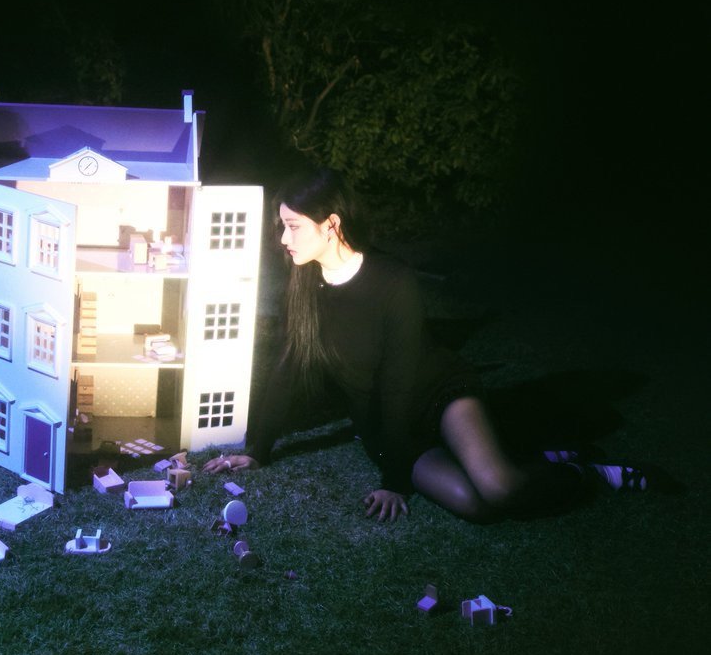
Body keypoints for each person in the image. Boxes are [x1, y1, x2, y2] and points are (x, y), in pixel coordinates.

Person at [203, 166, 647, 522]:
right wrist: (258, 450)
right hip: (382, 425)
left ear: (331, 224)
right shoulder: (303, 282)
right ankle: (534, 455)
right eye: (282, 226)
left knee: (500, 488)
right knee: (474, 505)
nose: (283, 239)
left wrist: (395, 481)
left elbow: (400, 382)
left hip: (438, 396)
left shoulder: (393, 281)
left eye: (293, 226)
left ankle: (585, 474)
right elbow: (288, 364)